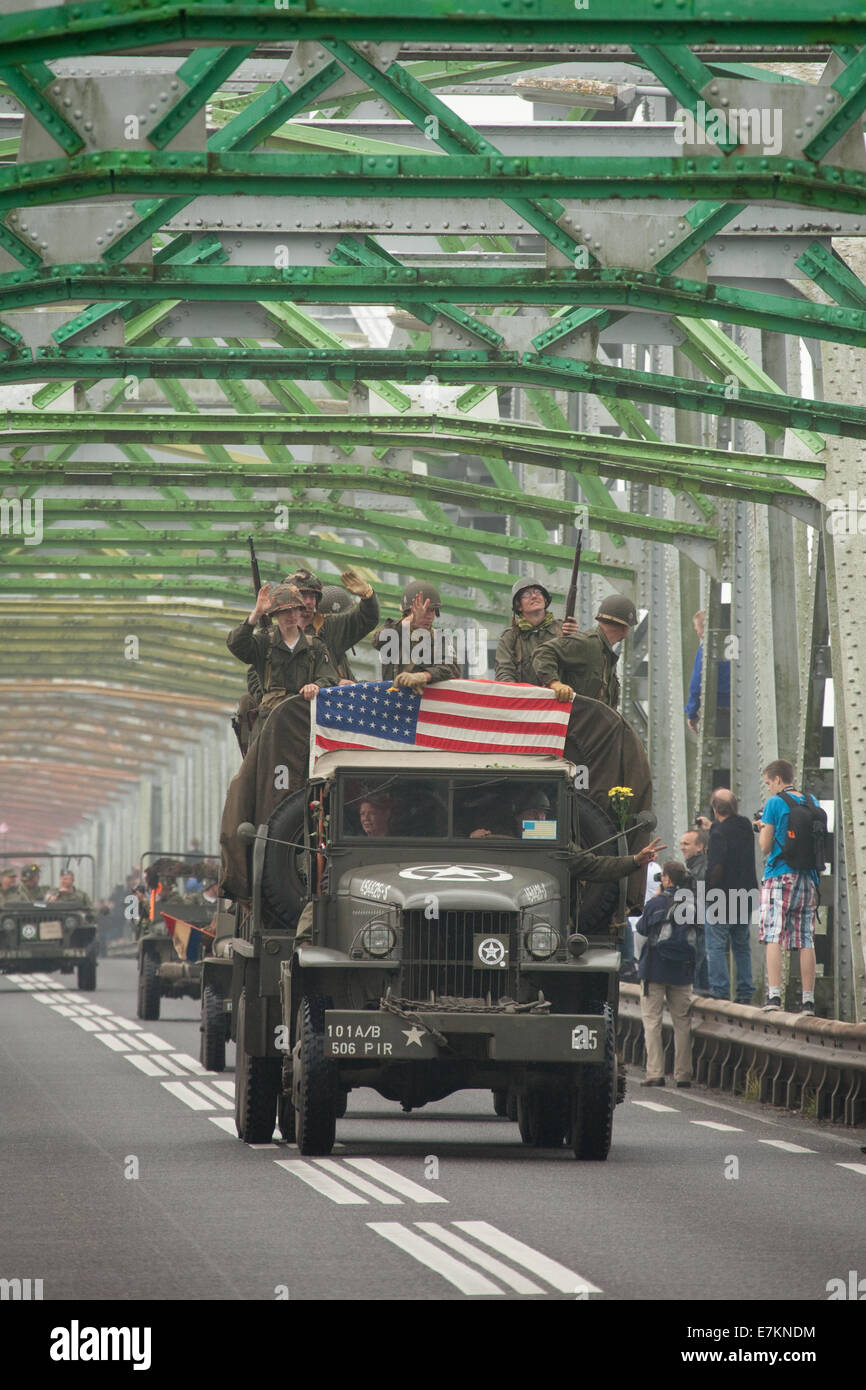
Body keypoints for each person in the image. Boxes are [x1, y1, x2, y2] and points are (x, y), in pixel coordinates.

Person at [227, 581, 338, 733]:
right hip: (270, 722)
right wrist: (256, 614)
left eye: (295, 609)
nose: (291, 615)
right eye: (285, 611)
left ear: (300, 611)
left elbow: (330, 677)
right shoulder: (264, 642)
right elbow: (235, 644)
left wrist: (316, 686)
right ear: (275, 614)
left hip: (303, 718)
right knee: (255, 757)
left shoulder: (315, 646)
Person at [757, 760, 820, 1016]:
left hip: (780, 875)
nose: (770, 788)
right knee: (806, 938)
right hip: (809, 877)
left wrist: (761, 827)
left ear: (779, 779)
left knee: (773, 934)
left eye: (769, 783)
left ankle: (774, 996)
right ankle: (808, 1002)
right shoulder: (811, 800)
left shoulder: (774, 803)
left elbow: (765, 845)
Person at [635, 860, 695, 1087]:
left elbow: (641, 928)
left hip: (654, 969)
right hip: (683, 972)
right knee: (682, 1023)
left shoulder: (656, 903)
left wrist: (656, 898)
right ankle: (683, 1075)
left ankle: (655, 1072)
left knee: (652, 1021)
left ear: (667, 879)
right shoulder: (691, 904)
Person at [531, 593, 637, 708]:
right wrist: (555, 684)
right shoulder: (588, 643)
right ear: (626, 628)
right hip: (577, 723)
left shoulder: (605, 654)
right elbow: (543, 652)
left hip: (593, 724)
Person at [704, 789, 757, 1003]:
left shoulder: (717, 834)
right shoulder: (745, 826)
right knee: (741, 944)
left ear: (715, 809)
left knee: (715, 944)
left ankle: (720, 991)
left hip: (722, 897)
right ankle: (745, 992)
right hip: (745, 894)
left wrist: (706, 886)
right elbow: (730, 832)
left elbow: (716, 867)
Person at [285, 567, 380, 683]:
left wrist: (368, 597)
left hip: (327, 698)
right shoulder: (278, 633)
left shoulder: (329, 627)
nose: (309, 601)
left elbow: (365, 619)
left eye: (313, 596)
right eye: (304, 595)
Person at [375, 581, 461, 690]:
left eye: (432, 610)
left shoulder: (440, 638)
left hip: (425, 702)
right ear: (408, 612)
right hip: (394, 700)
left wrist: (424, 676)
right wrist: (410, 620)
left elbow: (452, 669)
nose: (429, 616)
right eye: (424, 611)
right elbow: (377, 641)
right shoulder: (394, 632)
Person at [495, 580, 578, 684]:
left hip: (560, 697)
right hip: (527, 698)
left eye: (538, 592)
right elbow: (504, 674)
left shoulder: (563, 629)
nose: (534, 596)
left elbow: (579, 667)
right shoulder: (510, 637)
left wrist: (575, 639)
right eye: (526, 594)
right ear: (519, 606)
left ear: (545, 599)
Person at [685, 609, 731, 736]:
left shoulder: (706, 649)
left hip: (718, 710)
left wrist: (692, 713)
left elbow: (696, 685)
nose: (697, 633)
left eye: (697, 629)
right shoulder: (736, 646)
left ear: (703, 630)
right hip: (743, 708)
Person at [680, 827, 710, 995]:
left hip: (698, 924)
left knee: (696, 962)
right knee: (702, 963)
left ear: (699, 847)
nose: (682, 847)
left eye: (686, 843)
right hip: (700, 923)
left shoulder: (700, 869)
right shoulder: (695, 867)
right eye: (681, 843)